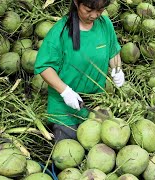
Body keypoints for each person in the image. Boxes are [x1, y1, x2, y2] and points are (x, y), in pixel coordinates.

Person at [34, 0, 125, 142]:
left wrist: (117, 69)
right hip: (65, 111)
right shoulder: (61, 31)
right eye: (89, 10)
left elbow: (113, 51)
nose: (94, 15)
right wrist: (65, 91)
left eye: (100, 10)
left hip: (95, 105)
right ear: (76, 3)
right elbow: (45, 66)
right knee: (69, 155)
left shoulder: (105, 24)